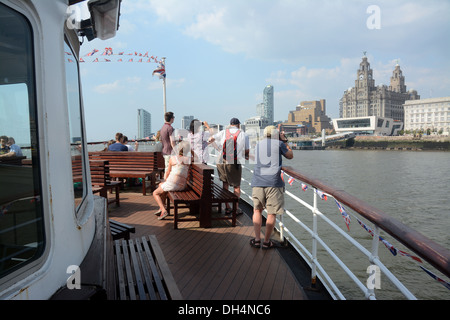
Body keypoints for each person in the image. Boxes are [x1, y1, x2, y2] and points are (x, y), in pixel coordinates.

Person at [250, 125, 293, 249]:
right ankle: (267, 241)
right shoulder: (279, 144)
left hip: (257, 181)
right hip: (273, 182)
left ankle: (257, 239)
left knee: (257, 210)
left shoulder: (258, 144)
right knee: (271, 213)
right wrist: (284, 140)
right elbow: (290, 155)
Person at [209, 118, 249, 215]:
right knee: (236, 186)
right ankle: (236, 209)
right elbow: (247, 151)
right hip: (233, 162)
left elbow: (210, 139)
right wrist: (245, 155)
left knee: (225, 184)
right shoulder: (243, 134)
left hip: (221, 160)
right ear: (238, 125)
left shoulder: (223, 132)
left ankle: (227, 207)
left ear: (230, 124)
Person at [152, 141, 191, 220]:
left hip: (173, 185)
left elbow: (167, 173)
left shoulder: (173, 159)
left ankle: (163, 210)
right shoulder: (189, 159)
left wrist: (165, 181)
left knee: (155, 193)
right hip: (182, 186)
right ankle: (162, 206)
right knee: (162, 186)